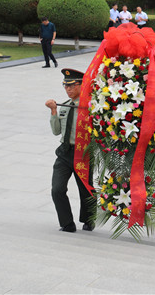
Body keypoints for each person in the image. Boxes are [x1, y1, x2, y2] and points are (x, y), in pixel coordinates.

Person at [45, 68, 95, 232]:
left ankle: (89, 219)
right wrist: (53, 111)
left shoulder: (90, 106)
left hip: (83, 153)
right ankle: (67, 223)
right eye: (65, 86)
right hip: (65, 153)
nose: (68, 89)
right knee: (57, 189)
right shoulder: (65, 106)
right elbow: (56, 131)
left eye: (72, 85)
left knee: (86, 189)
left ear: (81, 85)